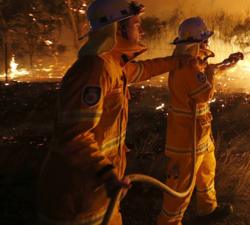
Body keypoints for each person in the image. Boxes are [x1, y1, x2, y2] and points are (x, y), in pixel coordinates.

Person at [37, 1, 193, 225]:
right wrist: (107, 173)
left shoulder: (112, 65)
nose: (142, 30)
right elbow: (73, 136)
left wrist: (178, 61)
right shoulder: (94, 70)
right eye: (135, 24)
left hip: (99, 190)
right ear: (117, 29)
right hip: (77, 197)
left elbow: (144, 69)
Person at [157, 17, 243, 225]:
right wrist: (214, 72)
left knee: (206, 172)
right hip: (186, 139)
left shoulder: (193, 62)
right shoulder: (187, 66)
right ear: (196, 43)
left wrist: (227, 63)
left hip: (200, 133)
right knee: (180, 187)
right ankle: (168, 222)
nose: (208, 44)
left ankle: (207, 210)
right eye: (205, 40)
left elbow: (207, 71)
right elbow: (205, 94)